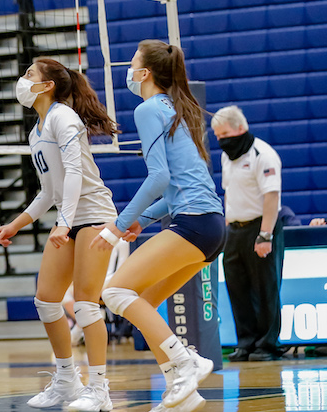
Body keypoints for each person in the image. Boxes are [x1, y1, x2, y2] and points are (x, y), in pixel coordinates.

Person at [92, 40, 225, 412]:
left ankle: (187, 363)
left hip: (195, 225)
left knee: (115, 293)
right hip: (213, 227)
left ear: (145, 73)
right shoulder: (178, 109)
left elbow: (158, 177)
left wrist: (117, 226)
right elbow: (175, 187)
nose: (129, 70)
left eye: (132, 63)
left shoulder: (149, 108)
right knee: (144, 302)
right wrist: (140, 220)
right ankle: (179, 390)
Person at [0, 58, 119, 411]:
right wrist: (16, 224)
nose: (22, 79)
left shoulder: (64, 116)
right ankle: (66, 380)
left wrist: (65, 222)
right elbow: (49, 191)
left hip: (93, 213)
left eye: (30, 74)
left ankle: (99, 390)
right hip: (68, 215)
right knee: (46, 299)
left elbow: (76, 173)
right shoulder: (37, 130)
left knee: (84, 303)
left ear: (47, 85)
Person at [212, 105, 285, 362]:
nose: (221, 141)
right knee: (237, 287)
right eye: (217, 136)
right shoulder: (226, 157)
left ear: (240, 129)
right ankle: (246, 342)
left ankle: (267, 343)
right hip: (234, 229)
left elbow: (271, 197)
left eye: (224, 134)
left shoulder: (263, 154)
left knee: (265, 287)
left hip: (260, 226)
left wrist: (265, 235)